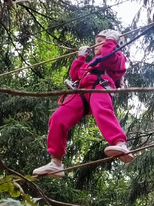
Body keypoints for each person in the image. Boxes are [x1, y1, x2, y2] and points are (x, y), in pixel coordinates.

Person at [33, 29, 133, 177]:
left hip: (100, 87)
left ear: (113, 42)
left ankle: (120, 143)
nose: (96, 46)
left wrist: (111, 42)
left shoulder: (118, 57)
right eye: (96, 43)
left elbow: (107, 58)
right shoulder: (92, 62)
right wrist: (81, 58)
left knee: (102, 111)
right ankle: (56, 163)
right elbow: (75, 75)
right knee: (57, 118)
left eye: (101, 42)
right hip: (82, 93)